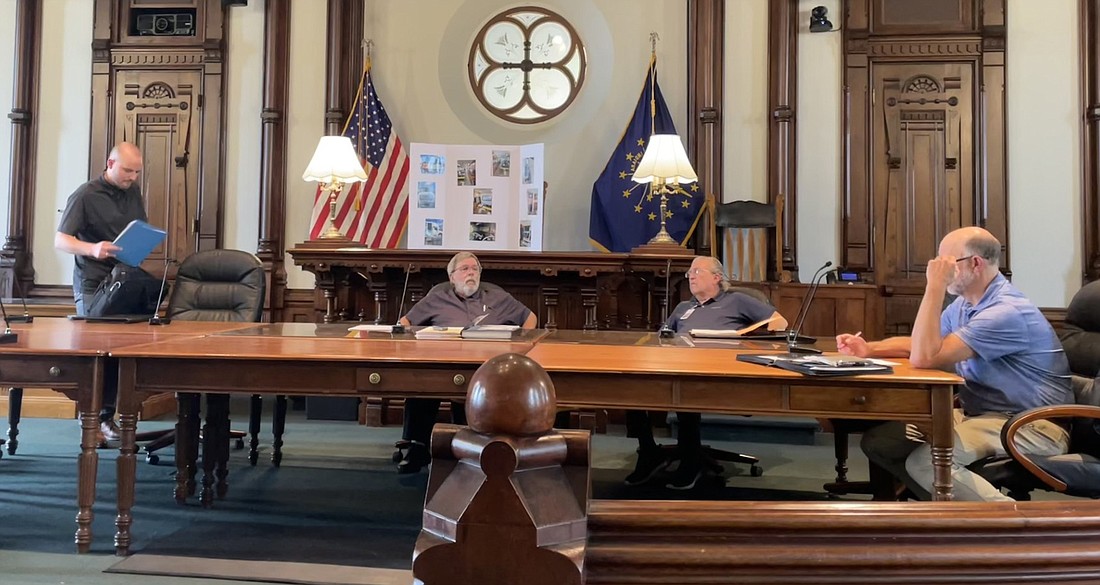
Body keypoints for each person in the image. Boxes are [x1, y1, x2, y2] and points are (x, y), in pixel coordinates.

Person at [835, 227, 1072, 501]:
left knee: (927, 462)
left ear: (975, 264)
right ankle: (941, 511)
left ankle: (1015, 528)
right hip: (984, 416)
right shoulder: (964, 305)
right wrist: (869, 349)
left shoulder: (1005, 312)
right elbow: (924, 343)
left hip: (1031, 425)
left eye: (946, 263)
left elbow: (925, 356)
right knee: (883, 442)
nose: (937, 269)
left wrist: (934, 286)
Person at [624, 256, 788, 490]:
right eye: (689, 272)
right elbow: (661, 337)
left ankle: (691, 461)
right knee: (632, 387)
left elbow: (779, 322)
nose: (690, 276)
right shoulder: (683, 307)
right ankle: (649, 452)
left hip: (717, 374)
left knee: (687, 391)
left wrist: (745, 336)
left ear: (716, 277)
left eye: (697, 271)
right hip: (677, 367)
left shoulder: (737, 301)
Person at [396, 251, 537, 473]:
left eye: (475, 269)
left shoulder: (498, 298)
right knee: (421, 384)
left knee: (473, 393)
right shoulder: (436, 298)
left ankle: (470, 450)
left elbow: (530, 318)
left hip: (489, 365)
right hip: (442, 361)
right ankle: (418, 448)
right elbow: (405, 323)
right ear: (452, 277)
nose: (471, 273)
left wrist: (521, 344)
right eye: (465, 269)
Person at [55, 142, 147, 445]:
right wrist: (92, 248)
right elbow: (60, 240)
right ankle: (94, 421)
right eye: (127, 170)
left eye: (136, 172)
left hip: (124, 278)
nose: (132, 177)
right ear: (110, 164)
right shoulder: (84, 195)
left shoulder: (133, 192)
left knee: (122, 353)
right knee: (97, 354)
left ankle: (110, 416)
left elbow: (137, 228)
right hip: (93, 282)